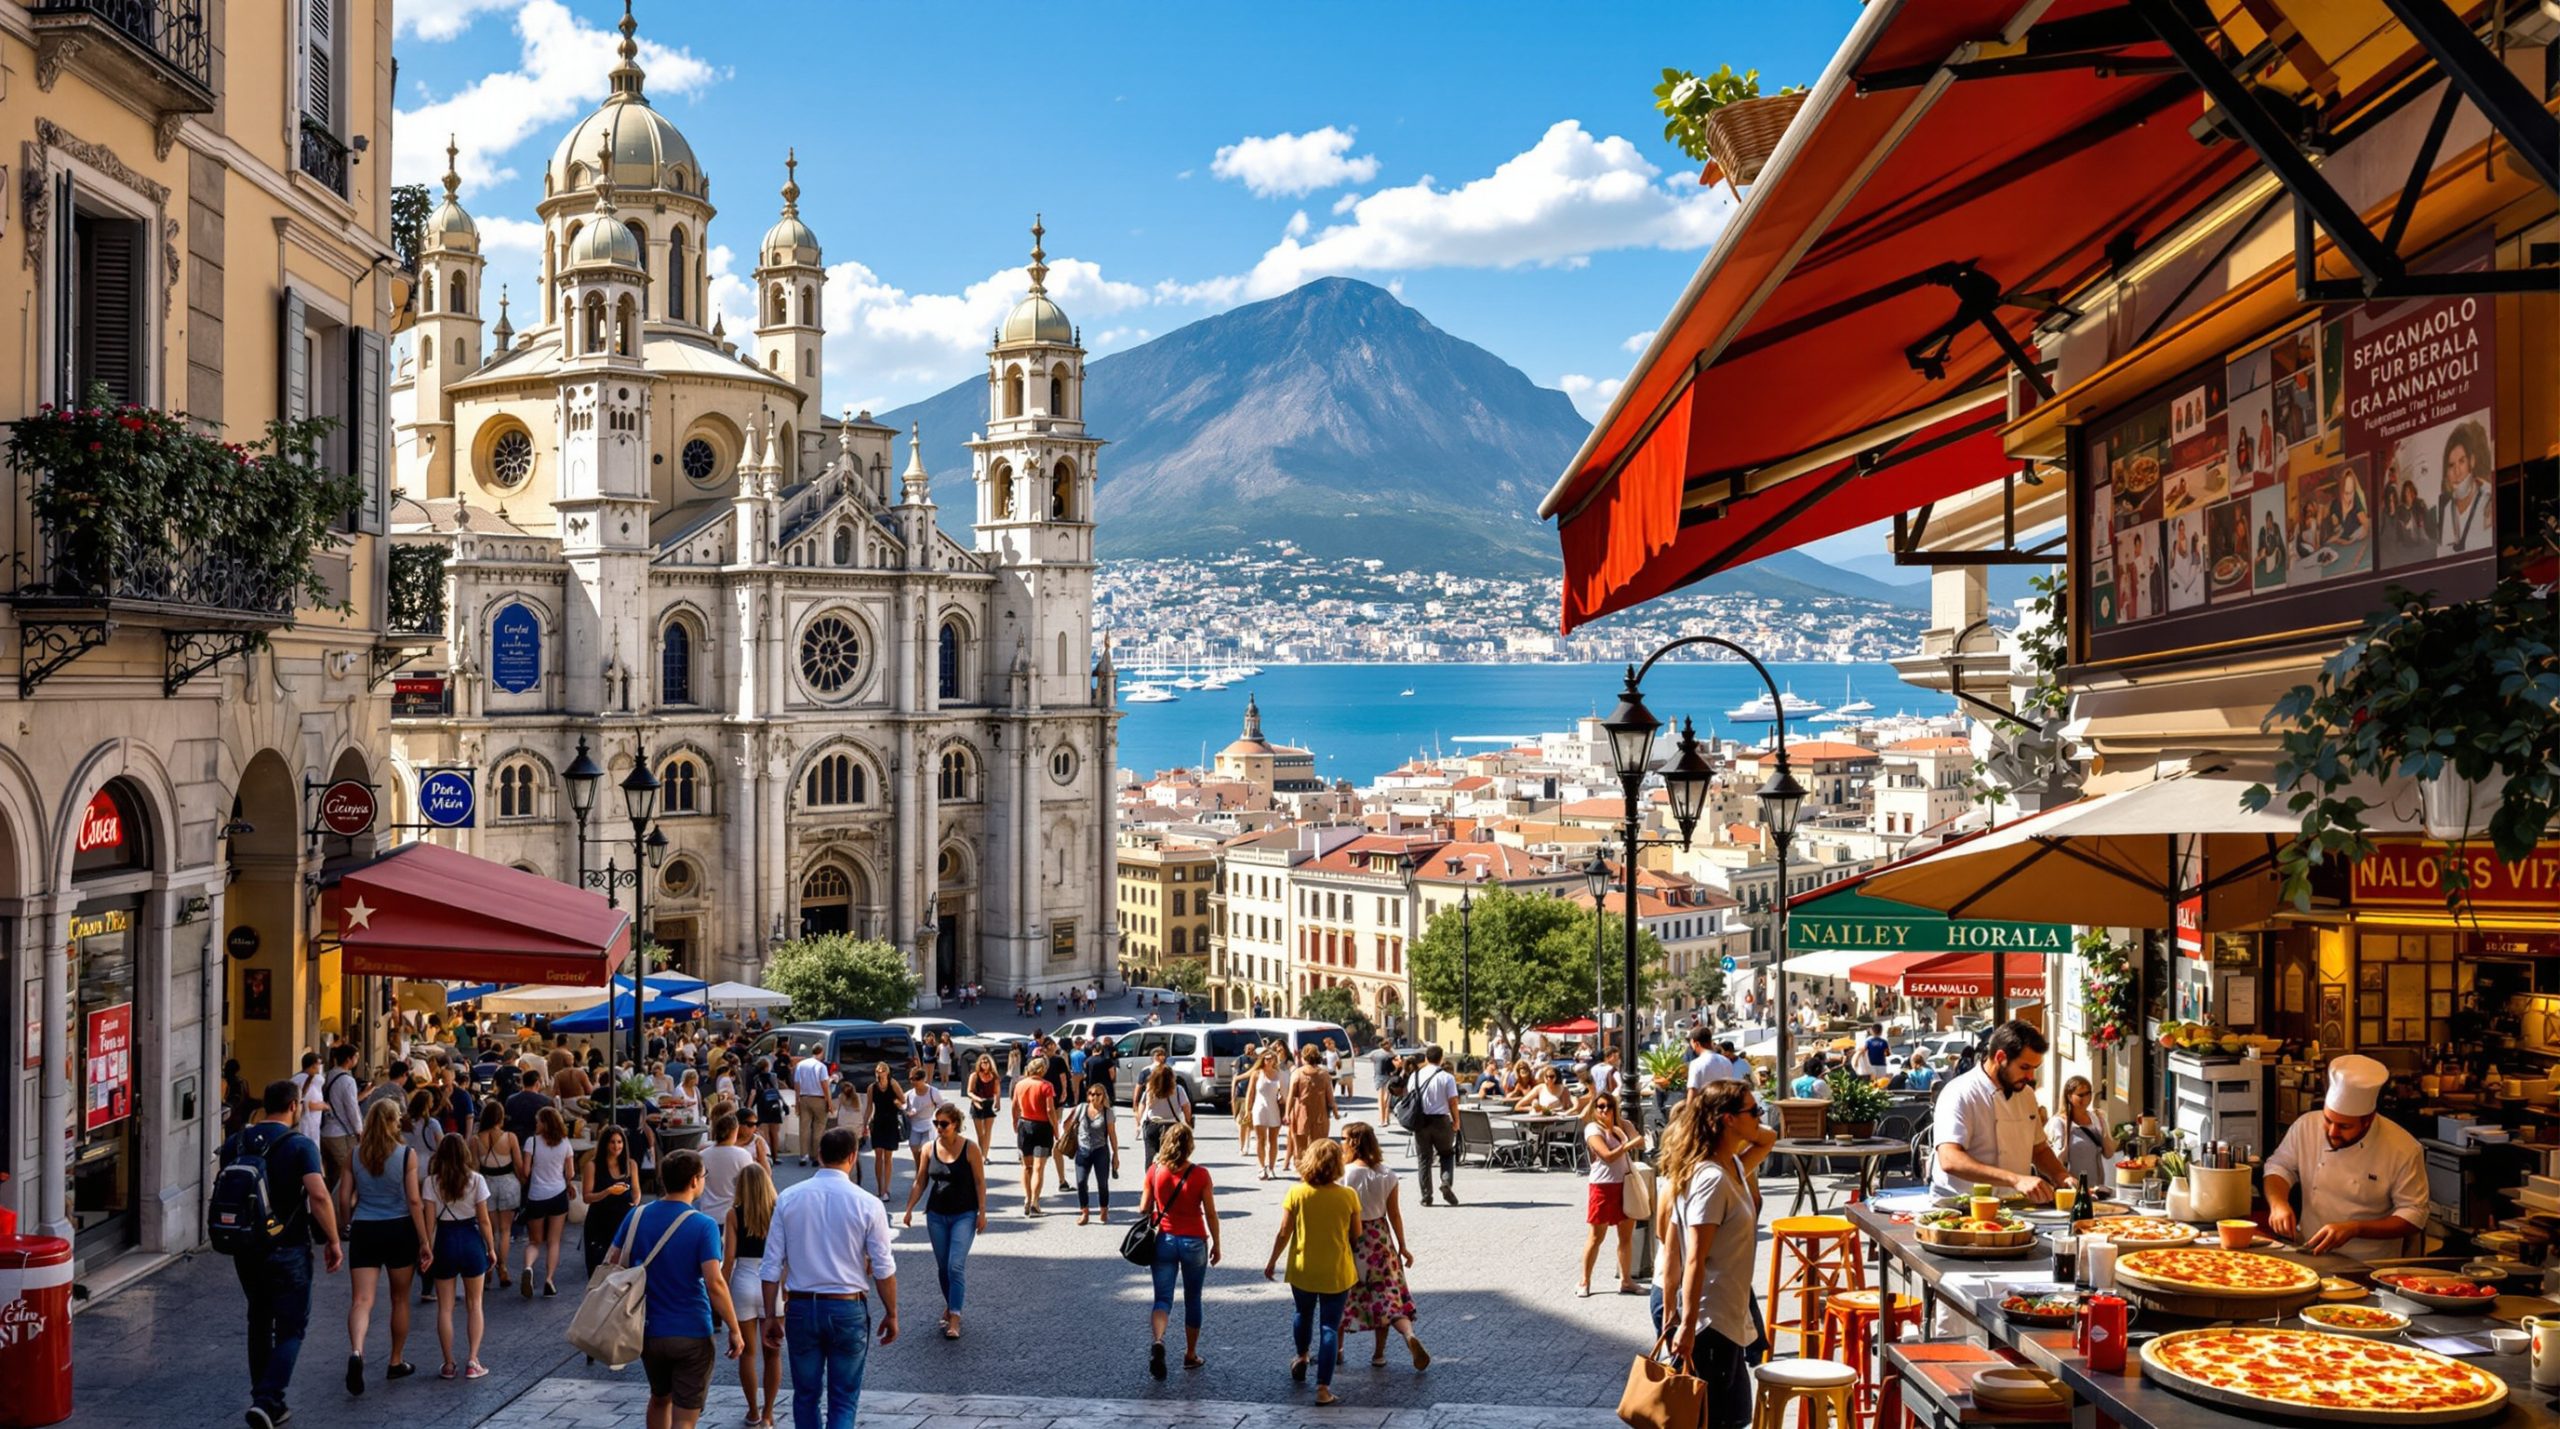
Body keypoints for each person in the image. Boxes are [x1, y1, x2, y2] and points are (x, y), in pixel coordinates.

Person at [223, 1079, 343, 1428]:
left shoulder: (236, 1142)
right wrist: (333, 1240)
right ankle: (268, 1399)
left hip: (246, 1247)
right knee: (291, 1327)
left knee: (258, 1320)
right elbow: (319, 1195)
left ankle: (264, 1398)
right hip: (287, 1246)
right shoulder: (299, 1145)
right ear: (293, 1106)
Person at [762, 1128, 899, 1429]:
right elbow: (883, 1267)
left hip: (800, 1307)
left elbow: (771, 1264)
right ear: (852, 1157)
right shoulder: (868, 1203)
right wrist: (891, 1312)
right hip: (846, 1307)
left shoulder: (789, 1198)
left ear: (819, 1155)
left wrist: (770, 1315)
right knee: (844, 1398)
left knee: (806, 1394)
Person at [1662, 1079, 1775, 1427]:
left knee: (1733, 1417)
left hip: (1729, 1317)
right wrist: (1685, 1323)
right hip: (1709, 1323)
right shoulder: (1710, 1178)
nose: (1760, 1117)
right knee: (1712, 1421)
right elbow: (1693, 1256)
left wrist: (1749, 1121)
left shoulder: (1734, 1166)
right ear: (1726, 1119)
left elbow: (1768, 1138)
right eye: (1753, 1111)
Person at [610, 1149, 744, 1429]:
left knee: (659, 1398)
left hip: (647, 1329)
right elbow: (714, 1282)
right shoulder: (703, 1225)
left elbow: (612, 1263)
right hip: (690, 1330)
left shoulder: (636, 1216)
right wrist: (734, 1327)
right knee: (685, 1416)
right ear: (695, 1181)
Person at [2264, 1053, 2430, 1257]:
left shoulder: (2403, 1148)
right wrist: (2278, 1203)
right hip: (2309, 1253)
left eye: (2344, 1126)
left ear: (2368, 1120)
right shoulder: (2306, 1126)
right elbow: (2279, 1166)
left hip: (2368, 1265)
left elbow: (2414, 1214)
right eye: (2328, 1120)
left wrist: (2356, 1228)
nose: (2332, 1132)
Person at [339, 1099, 427, 1395]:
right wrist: (425, 1240)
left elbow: (343, 1197)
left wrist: (346, 1225)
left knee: (361, 1300)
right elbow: (414, 1200)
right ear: (394, 1121)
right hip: (399, 1228)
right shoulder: (406, 1155)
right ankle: (395, 1360)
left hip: (365, 1228)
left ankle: (356, 1351)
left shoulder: (354, 1154)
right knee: (400, 1299)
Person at [1265, 1137, 1362, 1407]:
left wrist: (1273, 1260)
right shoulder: (1348, 1196)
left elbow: (1284, 1232)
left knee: (1302, 1313)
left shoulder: (1297, 1193)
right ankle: (1322, 1389)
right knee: (1330, 1326)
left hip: (1302, 1267)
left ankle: (1302, 1356)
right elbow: (1357, 1235)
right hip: (1336, 1269)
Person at [1930, 1019, 2065, 1202]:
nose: (2030, 1076)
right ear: (2000, 1057)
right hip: (1961, 1206)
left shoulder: (2027, 1095)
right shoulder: (1959, 1092)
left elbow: (2039, 1149)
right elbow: (1949, 1158)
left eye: (2035, 1068)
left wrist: (2061, 1175)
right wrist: (2015, 1179)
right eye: (2024, 1067)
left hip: (2015, 1206)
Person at [1339, 1122, 1428, 1371]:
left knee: (1342, 1295)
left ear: (1354, 1142)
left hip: (1354, 1239)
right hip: (1380, 1238)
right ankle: (1395, 1344)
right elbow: (1395, 1214)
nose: (1340, 1143)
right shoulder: (1388, 1174)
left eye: (1343, 1138)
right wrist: (1403, 1246)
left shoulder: (1345, 1174)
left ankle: (1337, 1350)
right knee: (1387, 1298)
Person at [1139, 1122, 1221, 1378]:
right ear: (1189, 1145)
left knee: (1162, 1298)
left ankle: (1159, 1341)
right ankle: (1190, 1354)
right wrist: (1217, 1243)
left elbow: (1143, 1207)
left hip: (1163, 1240)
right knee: (1192, 1298)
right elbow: (1210, 1213)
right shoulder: (1201, 1174)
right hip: (1194, 1241)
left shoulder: (1154, 1171)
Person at [901, 1102, 987, 1340]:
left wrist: (982, 1212)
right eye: (936, 1123)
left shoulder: (971, 1149)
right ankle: (950, 1305)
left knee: (955, 1265)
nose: (939, 1128)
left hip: (965, 1214)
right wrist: (909, 1208)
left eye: (944, 1124)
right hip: (937, 1215)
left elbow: (980, 1182)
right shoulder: (929, 1148)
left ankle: (955, 1317)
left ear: (956, 1124)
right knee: (942, 1268)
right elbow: (920, 1181)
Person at [422, 1132, 493, 1381]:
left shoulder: (431, 1182)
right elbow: (484, 1220)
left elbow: (430, 1223)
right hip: (471, 1239)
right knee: (475, 1305)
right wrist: (491, 1248)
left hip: (445, 1241)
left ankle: (448, 1363)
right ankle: (473, 1361)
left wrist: (427, 1249)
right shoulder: (476, 1180)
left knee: (445, 1308)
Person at [724, 1163, 782, 1429]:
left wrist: (719, 1297)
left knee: (747, 1353)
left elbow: (728, 1261)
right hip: (774, 1283)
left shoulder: (733, 1214)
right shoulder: (779, 1211)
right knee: (774, 1354)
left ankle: (753, 1412)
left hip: (744, 1280)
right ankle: (769, 1414)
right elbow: (787, 1254)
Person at [1578, 1096, 1639, 1298]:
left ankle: (1626, 1280)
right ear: (1594, 1109)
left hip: (1625, 1184)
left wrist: (1629, 1136)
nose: (1604, 1110)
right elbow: (1607, 1155)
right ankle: (1584, 1281)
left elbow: (1642, 1143)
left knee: (1626, 1236)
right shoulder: (1592, 1129)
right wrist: (1629, 1144)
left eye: (1609, 1106)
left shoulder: (1623, 1125)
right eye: (1600, 1106)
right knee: (1596, 1237)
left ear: (1615, 1107)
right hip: (1603, 1186)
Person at [519, 1105, 575, 1297]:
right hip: (558, 1194)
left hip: (537, 1195)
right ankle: (549, 1280)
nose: (536, 1124)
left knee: (534, 1241)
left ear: (544, 1123)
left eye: (538, 1121)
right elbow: (571, 1172)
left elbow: (525, 1172)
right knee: (554, 1241)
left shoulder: (531, 1142)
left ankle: (528, 1267)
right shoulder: (565, 1143)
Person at [470, 1100, 524, 1289]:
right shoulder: (510, 1137)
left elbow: (475, 1167)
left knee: (490, 1230)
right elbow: (518, 1165)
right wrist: (523, 1181)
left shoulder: (476, 1140)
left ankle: (489, 1266)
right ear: (500, 1118)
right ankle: (503, 1268)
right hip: (508, 1183)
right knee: (505, 1230)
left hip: (487, 1185)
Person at [583, 1123, 639, 1276]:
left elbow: (636, 1191)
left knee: (622, 1270)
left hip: (624, 1221)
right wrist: (607, 1192)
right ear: (605, 1144)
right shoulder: (592, 1166)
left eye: (619, 1142)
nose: (616, 1146)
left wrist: (635, 1204)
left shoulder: (630, 1165)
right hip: (599, 1223)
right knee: (597, 1269)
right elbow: (587, 1197)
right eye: (612, 1142)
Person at [1408, 1044, 1461, 1206]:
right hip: (1441, 1120)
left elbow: (1410, 1096)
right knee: (1446, 1153)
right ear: (1441, 1058)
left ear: (1426, 1058)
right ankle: (1445, 1182)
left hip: (1421, 1121)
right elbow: (1453, 1101)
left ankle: (1426, 1196)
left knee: (1424, 1158)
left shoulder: (1415, 1076)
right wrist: (1456, 1121)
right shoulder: (1447, 1077)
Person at [1064, 1081, 1123, 1224]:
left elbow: (1112, 1135)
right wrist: (1070, 1121)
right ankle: (1084, 1212)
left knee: (1102, 1183)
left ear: (1103, 1096)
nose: (1094, 1096)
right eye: (1091, 1094)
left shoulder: (1107, 1113)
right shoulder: (1081, 1108)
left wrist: (1115, 1154)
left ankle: (1104, 1210)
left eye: (1097, 1094)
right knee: (1081, 1181)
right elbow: (1066, 1126)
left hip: (1100, 1151)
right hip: (1083, 1150)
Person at [2046, 1075, 2116, 1187]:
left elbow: (2108, 1154)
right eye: (2080, 1095)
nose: (2086, 1098)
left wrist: (2103, 1126)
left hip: (2094, 1187)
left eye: (2088, 1093)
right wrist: (2067, 1132)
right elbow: (2057, 1159)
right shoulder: (2059, 1122)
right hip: (2070, 1188)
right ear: (2069, 1096)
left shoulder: (2095, 1118)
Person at [1011, 1056, 1058, 1214]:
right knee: (1039, 1168)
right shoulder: (1047, 1086)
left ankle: (1026, 1198)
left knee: (1026, 1167)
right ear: (1042, 1070)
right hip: (1043, 1127)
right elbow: (1050, 1110)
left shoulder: (1020, 1084)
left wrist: (1014, 1121)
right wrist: (1056, 1128)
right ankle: (1035, 1202)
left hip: (1025, 1125)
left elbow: (1014, 1106)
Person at [697, 1112, 757, 1237]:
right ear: (735, 1131)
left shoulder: (703, 1156)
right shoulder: (743, 1155)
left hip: (708, 1212)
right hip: (734, 1213)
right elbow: (750, 1185)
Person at [319, 1044, 364, 1189]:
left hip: (325, 1131)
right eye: (356, 1056)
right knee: (346, 1174)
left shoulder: (329, 1074)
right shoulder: (348, 1080)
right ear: (349, 1059)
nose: (357, 1059)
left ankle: (330, 1204)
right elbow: (352, 1108)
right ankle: (338, 1208)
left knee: (331, 1174)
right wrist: (359, 1130)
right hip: (340, 1134)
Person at [1136, 1063, 1192, 1165]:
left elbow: (1142, 1106)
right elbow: (1186, 1108)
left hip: (1152, 1125)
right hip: (1172, 1127)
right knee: (1171, 1157)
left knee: (1150, 1157)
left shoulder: (1150, 1089)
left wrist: (1140, 1122)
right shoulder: (1178, 1090)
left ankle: (1151, 1178)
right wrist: (1188, 1121)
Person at [1287, 1043, 1336, 1159]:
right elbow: (1331, 1098)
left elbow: (1291, 1096)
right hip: (1320, 1113)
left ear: (1303, 1057)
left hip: (1301, 1113)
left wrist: (1287, 1114)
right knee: (1318, 1146)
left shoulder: (1297, 1073)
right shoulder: (1324, 1074)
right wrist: (1336, 1112)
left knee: (1300, 1146)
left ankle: (1303, 1171)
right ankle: (1316, 1170)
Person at [1247, 1046, 1289, 1180]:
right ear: (1262, 1059)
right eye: (1266, 1058)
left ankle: (1271, 1168)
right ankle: (1261, 1167)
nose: (1269, 1061)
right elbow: (1250, 1093)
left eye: (1272, 1058)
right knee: (1261, 1139)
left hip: (1274, 1108)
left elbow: (1284, 1094)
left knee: (1273, 1140)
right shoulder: (1257, 1074)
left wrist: (1287, 1110)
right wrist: (1248, 1110)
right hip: (1259, 1108)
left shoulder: (1279, 1074)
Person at [865, 1062, 905, 1196]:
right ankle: (879, 1187)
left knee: (888, 1157)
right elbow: (869, 1106)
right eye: (877, 1071)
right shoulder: (872, 1087)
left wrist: (897, 1103)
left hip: (891, 1122)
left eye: (882, 1070)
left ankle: (886, 1189)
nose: (879, 1073)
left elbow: (903, 1100)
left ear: (887, 1072)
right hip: (878, 1122)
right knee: (878, 1156)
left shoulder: (893, 1083)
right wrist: (865, 1124)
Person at [792, 1044, 831, 1167]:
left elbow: (797, 1083)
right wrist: (829, 1102)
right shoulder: (821, 1066)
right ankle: (815, 1155)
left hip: (804, 1097)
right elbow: (824, 1084)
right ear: (821, 1052)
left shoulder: (801, 1065)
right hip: (818, 1098)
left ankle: (803, 1155)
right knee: (819, 1127)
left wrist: (797, 1100)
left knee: (804, 1127)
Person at [965, 1054, 1002, 1162]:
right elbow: (969, 1091)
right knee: (980, 1133)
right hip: (977, 1104)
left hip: (989, 1103)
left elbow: (997, 1091)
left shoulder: (994, 1076)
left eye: (986, 1062)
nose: (984, 1064)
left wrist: (997, 1102)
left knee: (988, 1132)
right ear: (979, 1064)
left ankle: (984, 1156)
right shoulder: (974, 1076)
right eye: (982, 1062)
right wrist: (977, 1099)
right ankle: (981, 1154)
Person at [901, 1071, 937, 1178]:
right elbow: (901, 1106)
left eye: (916, 1079)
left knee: (925, 1151)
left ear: (923, 1079)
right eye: (912, 1079)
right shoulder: (909, 1094)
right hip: (914, 1127)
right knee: (915, 1150)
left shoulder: (933, 1092)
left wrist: (936, 1118)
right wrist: (907, 1112)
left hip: (928, 1125)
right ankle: (919, 1170)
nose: (914, 1082)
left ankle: (923, 1172)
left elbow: (941, 1106)